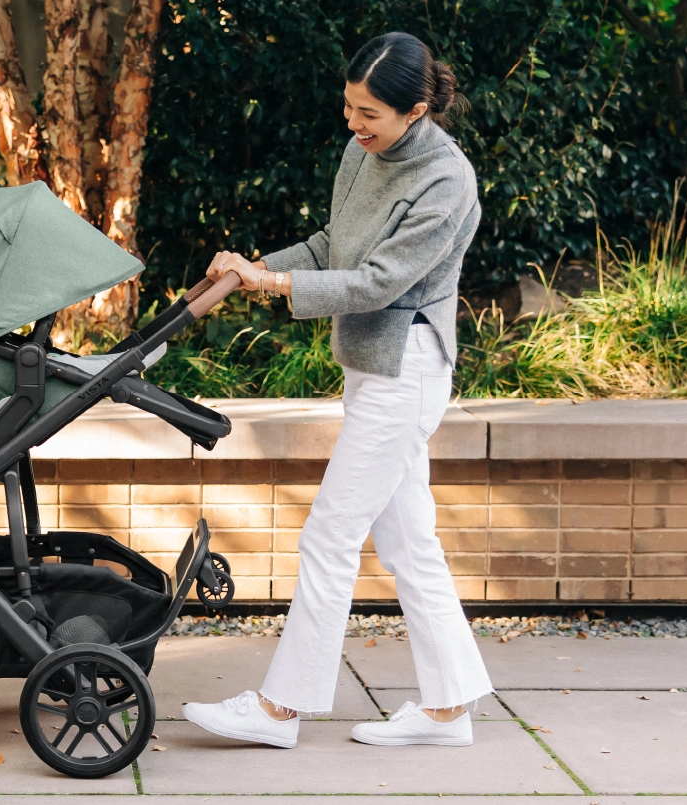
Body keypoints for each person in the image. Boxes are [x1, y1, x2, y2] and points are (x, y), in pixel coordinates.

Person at [182, 32, 493, 749]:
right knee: (410, 542)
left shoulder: (447, 181)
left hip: (405, 369)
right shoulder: (364, 153)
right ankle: (449, 710)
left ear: (416, 110)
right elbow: (332, 247)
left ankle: (280, 708)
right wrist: (250, 269)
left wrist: (273, 284)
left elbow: (380, 281)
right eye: (350, 107)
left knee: (328, 535)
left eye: (370, 115)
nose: (354, 125)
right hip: (371, 368)